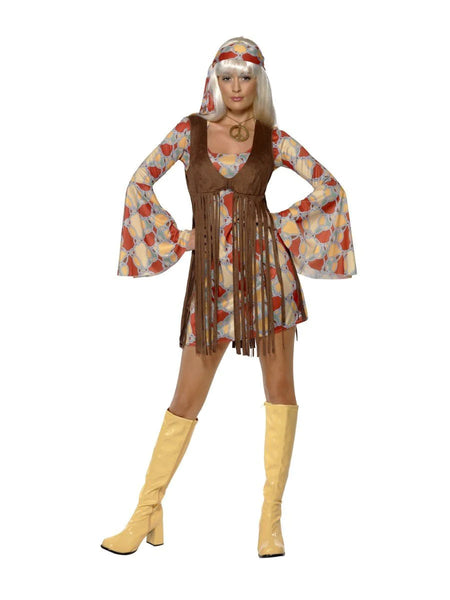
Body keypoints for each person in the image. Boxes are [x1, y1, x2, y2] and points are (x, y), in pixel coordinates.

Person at [101, 36, 357, 558]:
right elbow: (138, 184)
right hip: (211, 286)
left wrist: (276, 227)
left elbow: (330, 188)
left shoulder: (271, 139)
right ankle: (146, 511)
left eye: (246, 77)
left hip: (269, 285)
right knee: (185, 400)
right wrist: (181, 237)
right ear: (214, 81)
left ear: (258, 82)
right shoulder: (189, 132)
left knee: (280, 391)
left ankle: (271, 520)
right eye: (227, 76)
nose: (236, 86)